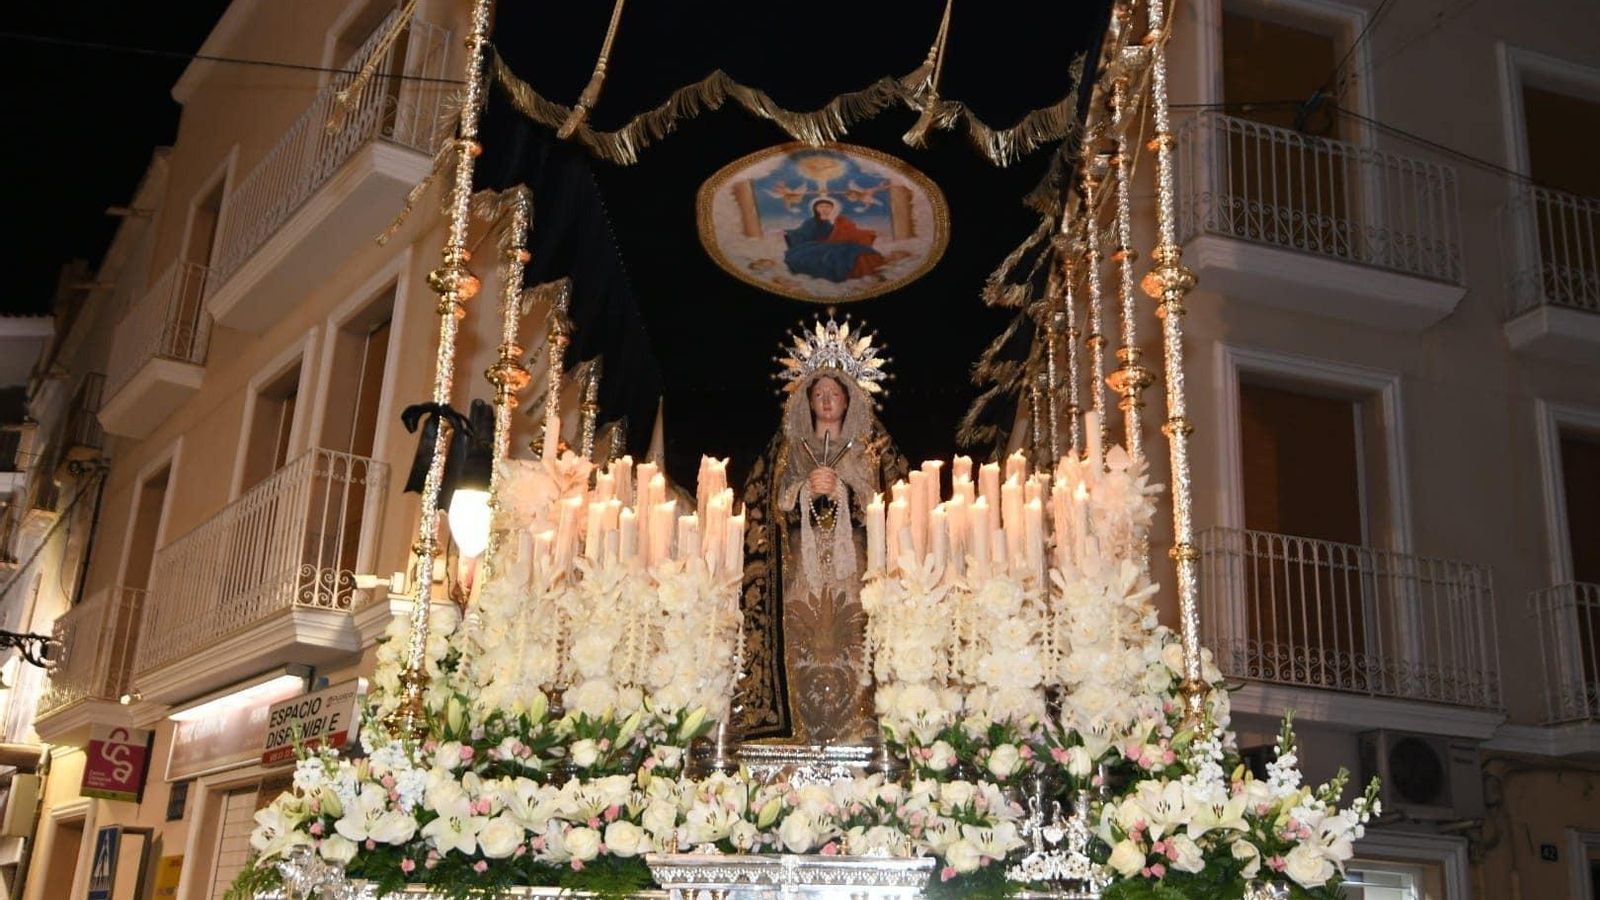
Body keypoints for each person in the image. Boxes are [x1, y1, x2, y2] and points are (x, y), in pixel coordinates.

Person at [735, 368, 907, 745]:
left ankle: (861, 726)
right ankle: (799, 728)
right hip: (801, 570)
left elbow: (892, 503)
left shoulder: (871, 449)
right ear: (808, 401)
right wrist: (804, 492)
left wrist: (844, 490)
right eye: (819, 394)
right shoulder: (789, 449)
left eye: (834, 394)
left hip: (855, 570)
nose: (827, 401)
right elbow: (766, 505)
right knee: (801, 640)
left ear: (848, 399)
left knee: (855, 638)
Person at [782, 197, 889, 283]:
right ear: (815, 208)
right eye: (820, 206)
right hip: (817, 247)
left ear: (833, 208)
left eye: (828, 206)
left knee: (857, 250)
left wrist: (869, 233)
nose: (824, 209)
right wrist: (787, 233)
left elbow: (852, 232)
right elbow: (801, 234)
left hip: (840, 243)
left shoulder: (841, 220)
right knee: (834, 255)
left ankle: (867, 274)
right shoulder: (811, 221)